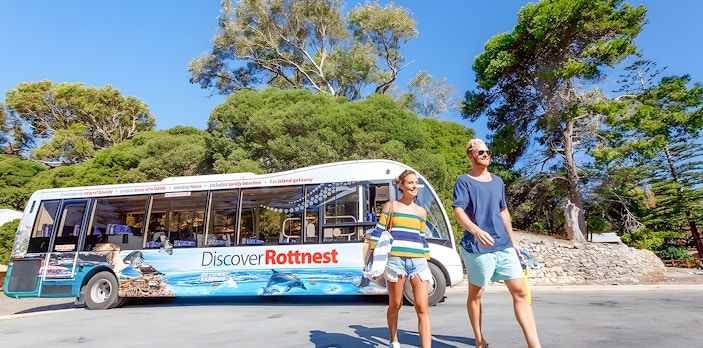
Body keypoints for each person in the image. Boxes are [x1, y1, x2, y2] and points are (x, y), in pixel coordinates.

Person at [452, 138, 541, 348]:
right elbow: (458, 210)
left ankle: (534, 345)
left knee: (520, 292)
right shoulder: (463, 181)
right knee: (476, 295)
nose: (485, 155)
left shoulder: (498, 181)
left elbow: (503, 211)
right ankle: (479, 339)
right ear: (470, 156)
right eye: (480, 152)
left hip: (504, 245)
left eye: (487, 152)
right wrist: (475, 230)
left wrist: (514, 242)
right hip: (478, 248)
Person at [367, 169, 432, 348]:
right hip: (396, 261)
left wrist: (427, 259)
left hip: (418, 261)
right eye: (410, 182)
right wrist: (371, 257)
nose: (414, 186)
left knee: (422, 307)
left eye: (416, 183)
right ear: (401, 185)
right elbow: (379, 232)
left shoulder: (421, 212)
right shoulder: (391, 206)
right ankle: (393, 340)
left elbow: (422, 237)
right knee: (396, 304)